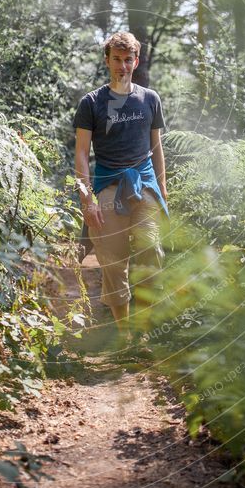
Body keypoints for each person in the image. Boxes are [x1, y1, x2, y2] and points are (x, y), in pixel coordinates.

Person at [73, 31, 168, 353]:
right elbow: (82, 154)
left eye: (128, 59)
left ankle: (142, 331)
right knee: (113, 261)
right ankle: (125, 335)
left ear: (136, 61)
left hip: (144, 185)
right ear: (107, 60)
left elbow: (157, 148)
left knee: (151, 251)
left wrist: (163, 191)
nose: (122, 65)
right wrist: (87, 200)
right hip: (107, 187)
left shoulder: (150, 99)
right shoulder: (91, 103)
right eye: (116, 59)